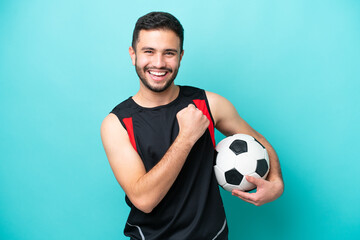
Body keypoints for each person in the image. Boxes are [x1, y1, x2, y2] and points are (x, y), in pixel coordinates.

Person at [101, 11, 284, 240]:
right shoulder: (117, 124)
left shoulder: (209, 104)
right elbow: (144, 200)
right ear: (133, 54)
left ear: (181, 56)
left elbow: (258, 141)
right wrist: (186, 137)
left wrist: (276, 182)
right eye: (149, 51)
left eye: (169, 53)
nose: (158, 63)